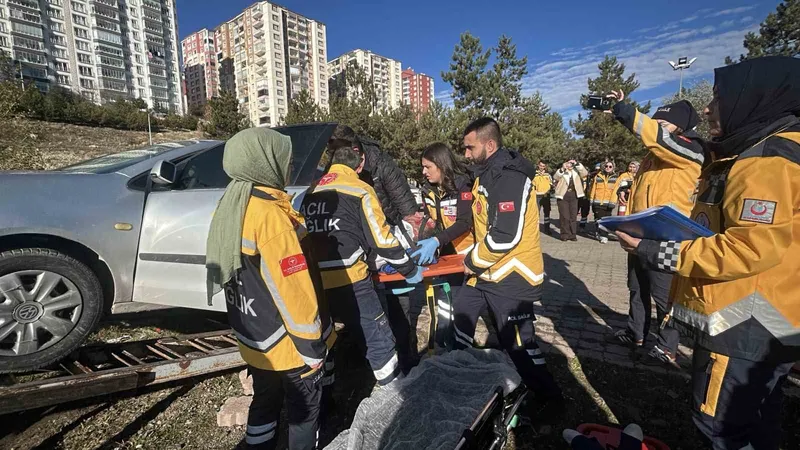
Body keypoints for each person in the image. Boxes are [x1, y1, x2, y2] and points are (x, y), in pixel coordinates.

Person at [616, 56, 800, 449]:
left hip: (744, 325)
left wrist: (657, 251)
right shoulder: (751, 153)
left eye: (717, 96)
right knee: (759, 427)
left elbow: (748, 249)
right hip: (763, 323)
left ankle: (664, 346)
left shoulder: (766, 161)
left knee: (718, 430)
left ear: (751, 98)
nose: (707, 107)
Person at [206, 128, 333, 450]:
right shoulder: (270, 216)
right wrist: (312, 349)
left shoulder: (231, 204)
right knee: (304, 413)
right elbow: (292, 290)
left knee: (264, 401)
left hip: (255, 337)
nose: (289, 167)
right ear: (264, 161)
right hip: (287, 345)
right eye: (285, 160)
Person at [455, 117, 563, 417]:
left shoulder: (509, 177)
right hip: (487, 273)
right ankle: (459, 374)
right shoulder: (486, 174)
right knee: (461, 312)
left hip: (512, 274)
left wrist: (471, 261)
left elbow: (505, 235)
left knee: (518, 344)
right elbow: (480, 224)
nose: (465, 154)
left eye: (469, 147)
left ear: (489, 145)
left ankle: (549, 398)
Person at [301, 141, 424, 387]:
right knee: (380, 341)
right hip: (352, 280)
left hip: (315, 283)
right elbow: (383, 241)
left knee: (326, 340)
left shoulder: (309, 193)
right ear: (359, 167)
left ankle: (326, 402)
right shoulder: (360, 190)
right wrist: (409, 269)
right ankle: (393, 399)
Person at [605, 95, 705, 368]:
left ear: (680, 129)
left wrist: (626, 112)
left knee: (665, 297)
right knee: (637, 289)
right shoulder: (651, 158)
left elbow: (657, 139)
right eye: (656, 123)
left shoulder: (690, 149)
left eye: (663, 124)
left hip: (666, 237)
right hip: (639, 234)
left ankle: (666, 347)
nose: (658, 128)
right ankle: (635, 333)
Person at [408, 143, 475, 350]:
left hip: (469, 253)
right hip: (447, 256)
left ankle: (461, 346)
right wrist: (425, 239)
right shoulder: (430, 190)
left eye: (428, 167)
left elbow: (465, 222)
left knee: (466, 302)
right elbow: (436, 223)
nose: (423, 172)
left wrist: (437, 241)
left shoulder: (463, 185)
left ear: (441, 164)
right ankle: (444, 339)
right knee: (446, 298)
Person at [329, 125, 422, 230]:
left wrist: (411, 232)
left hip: (392, 228)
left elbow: (406, 206)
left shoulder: (382, 164)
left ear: (355, 151)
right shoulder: (331, 169)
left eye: (342, 158)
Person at [554, 158, 589, 241]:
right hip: (563, 195)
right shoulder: (562, 171)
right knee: (565, 216)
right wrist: (562, 168)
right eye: (568, 163)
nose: (569, 165)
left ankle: (573, 235)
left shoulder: (576, 171)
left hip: (574, 195)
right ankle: (564, 235)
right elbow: (556, 177)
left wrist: (577, 164)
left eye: (571, 163)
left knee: (573, 216)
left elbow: (585, 173)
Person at [588, 160, 619, 243]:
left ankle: (600, 232)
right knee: (600, 219)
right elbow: (593, 189)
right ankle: (603, 236)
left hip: (609, 202)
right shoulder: (598, 176)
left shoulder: (616, 178)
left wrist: (613, 202)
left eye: (610, 166)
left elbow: (616, 191)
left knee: (607, 219)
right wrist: (591, 199)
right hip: (598, 202)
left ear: (613, 168)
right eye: (606, 166)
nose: (608, 168)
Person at [533, 161, 554, 234]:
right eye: (540, 166)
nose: (541, 167)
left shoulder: (548, 175)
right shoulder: (534, 174)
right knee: (536, 213)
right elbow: (531, 185)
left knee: (547, 213)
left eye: (543, 166)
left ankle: (547, 229)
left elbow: (552, 185)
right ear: (538, 165)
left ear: (545, 167)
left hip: (546, 196)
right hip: (537, 196)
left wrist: (549, 191)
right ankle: (535, 229)